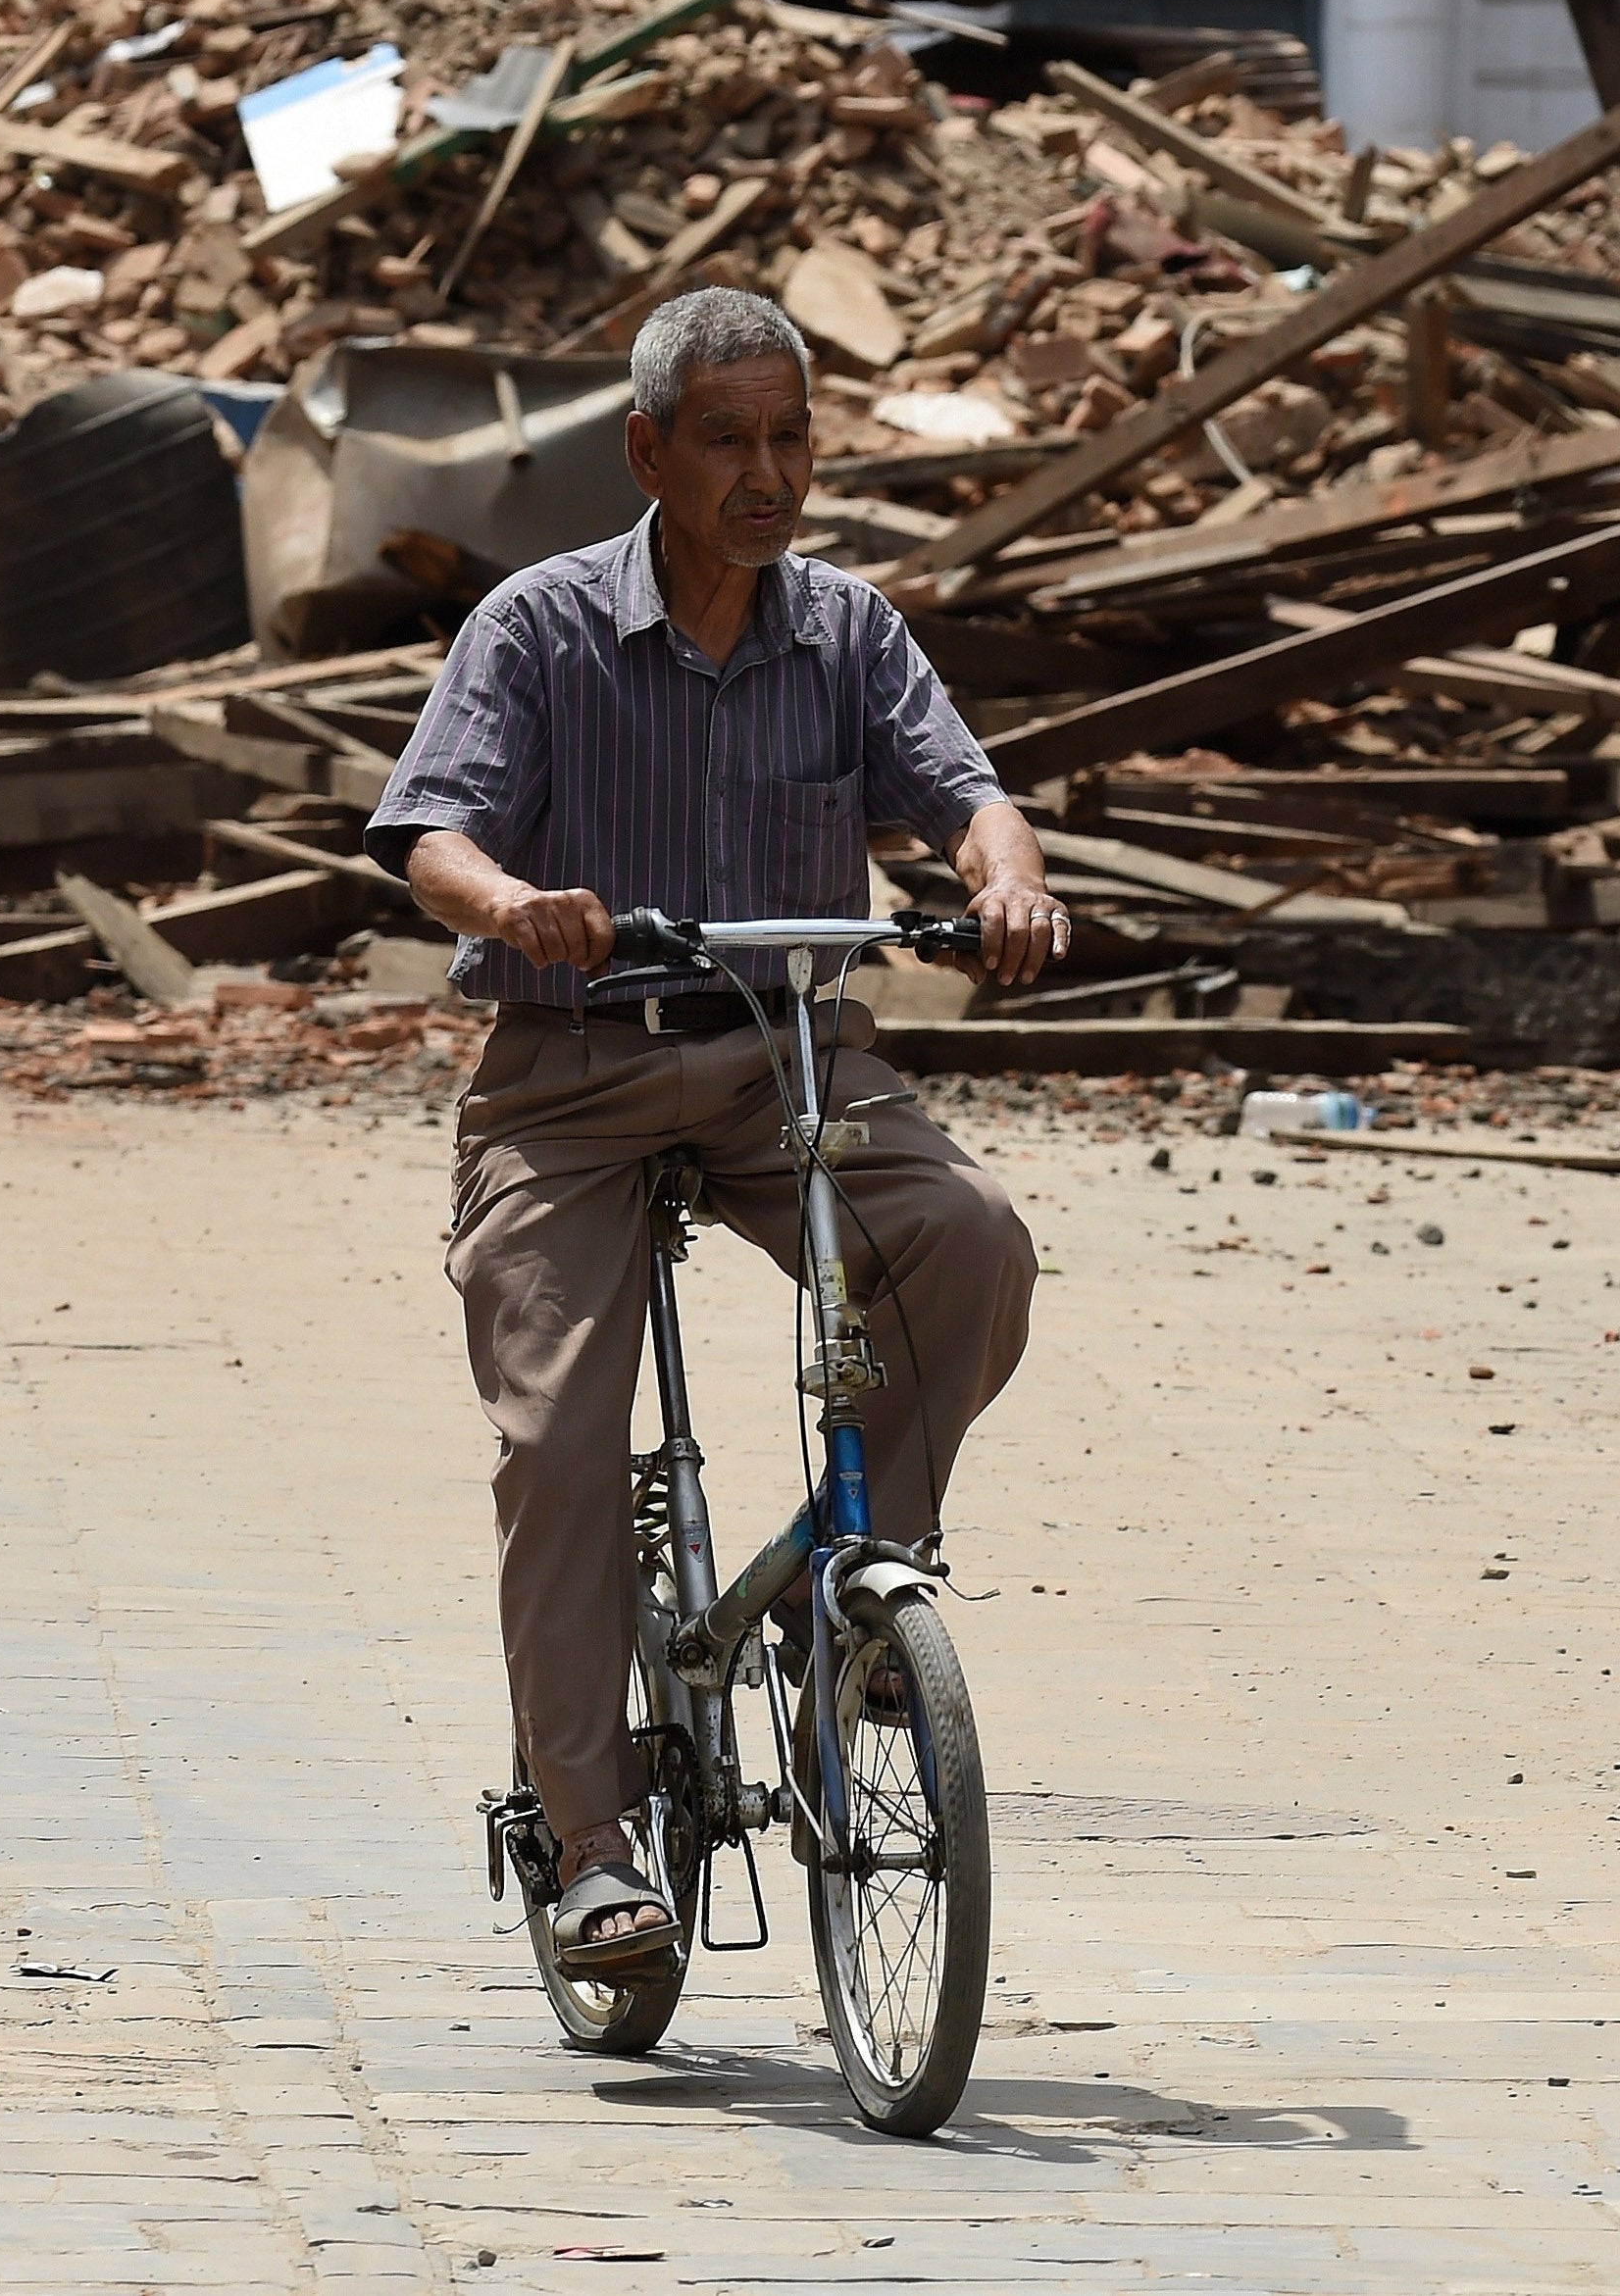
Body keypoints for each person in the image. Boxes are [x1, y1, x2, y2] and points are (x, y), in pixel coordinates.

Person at [364, 287, 1065, 1979]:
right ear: (648, 451)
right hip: (571, 1079)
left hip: (787, 1059)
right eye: (731, 439)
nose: (770, 474)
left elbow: (963, 790)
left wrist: (1007, 872)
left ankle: (864, 1588)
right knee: (556, 1438)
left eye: (793, 436)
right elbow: (425, 831)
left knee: (969, 1240)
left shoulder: (847, 628)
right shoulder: (536, 626)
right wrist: (515, 901)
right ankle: (592, 1842)